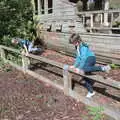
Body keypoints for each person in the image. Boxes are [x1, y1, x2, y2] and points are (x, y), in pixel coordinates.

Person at [69, 33, 111, 98]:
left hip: (91, 58)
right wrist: (74, 66)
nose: (73, 44)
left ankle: (103, 68)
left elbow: (83, 58)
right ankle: (91, 92)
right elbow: (78, 58)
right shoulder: (77, 47)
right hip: (86, 60)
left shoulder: (83, 46)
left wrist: (79, 68)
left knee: (83, 69)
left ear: (78, 40)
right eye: (72, 43)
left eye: (74, 42)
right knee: (84, 74)